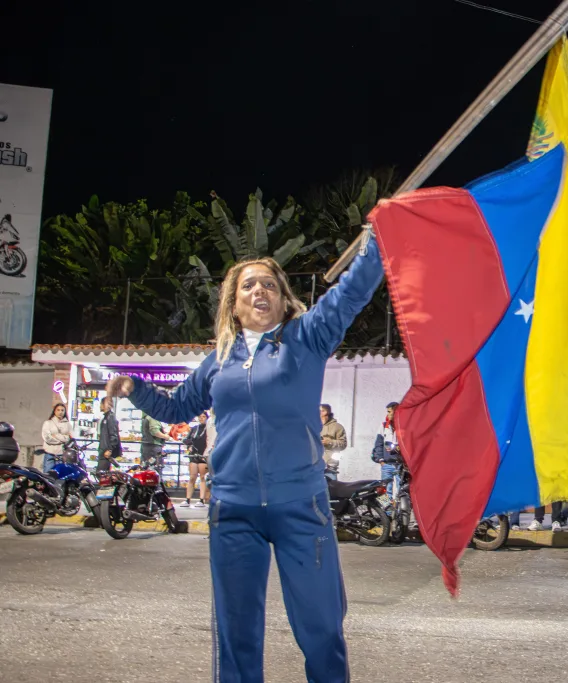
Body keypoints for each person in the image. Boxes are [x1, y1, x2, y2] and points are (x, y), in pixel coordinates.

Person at [104, 241, 383, 683]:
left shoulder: (307, 337)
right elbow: (177, 408)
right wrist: (133, 388)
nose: (260, 291)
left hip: (301, 507)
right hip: (233, 510)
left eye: (270, 284)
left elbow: (350, 294)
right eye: (249, 285)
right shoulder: (218, 361)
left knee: (321, 628)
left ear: (283, 297)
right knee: (237, 634)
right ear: (234, 305)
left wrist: (375, 246)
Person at [372, 402, 401, 496]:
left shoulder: (404, 426)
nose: (387, 414)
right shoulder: (384, 426)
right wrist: (381, 461)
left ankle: (401, 509)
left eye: (389, 412)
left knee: (402, 490)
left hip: (400, 465)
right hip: (387, 464)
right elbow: (378, 444)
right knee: (384, 491)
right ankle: (386, 511)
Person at [181, 412, 209, 508]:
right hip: (193, 455)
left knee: (202, 477)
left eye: (203, 416)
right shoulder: (194, 429)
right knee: (192, 477)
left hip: (203, 455)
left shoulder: (209, 429)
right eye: (200, 416)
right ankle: (187, 499)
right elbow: (186, 439)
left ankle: (201, 499)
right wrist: (188, 445)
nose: (201, 418)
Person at [41, 403, 72, 473]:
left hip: (62, 454)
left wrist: (56, 435)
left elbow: (69, 438)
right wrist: (62, 440)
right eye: (58, 410)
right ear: (54, 411)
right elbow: (47, 438)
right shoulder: (48, 423)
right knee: (47, 474)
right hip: (49, 453)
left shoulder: (68, 425)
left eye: (62, 410)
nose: (60, 412)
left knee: (60, 475)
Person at [320, 404, 348, 481]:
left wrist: (330, 442)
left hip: (330, 465)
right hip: (314, 465)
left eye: (323, 411)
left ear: (328, 412)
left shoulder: (337, 427)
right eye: (319, 411)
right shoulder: (314, 425)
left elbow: (343, 444)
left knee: (331, 488)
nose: (320, 413)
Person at [96, 396, 121, 472]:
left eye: (101, 403)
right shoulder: (106, 418)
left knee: (100, 473)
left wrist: (110, 450)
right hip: (103, 451)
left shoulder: (110, 417)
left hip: (106, 453)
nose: (100, 406)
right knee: (104, 476)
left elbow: (114, 435)